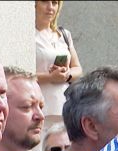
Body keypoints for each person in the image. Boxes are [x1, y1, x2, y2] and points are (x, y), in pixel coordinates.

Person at [34, 0, 82, 130]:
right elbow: (21, 75)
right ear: (34, 4)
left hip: (63, 108)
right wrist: (50, 77)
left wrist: (66, 74)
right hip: (39, 109)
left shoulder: (64, 34)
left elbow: (77, 68)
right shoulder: (28, 35)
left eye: (54, 3)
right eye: (45, 1)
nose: (50, 7)